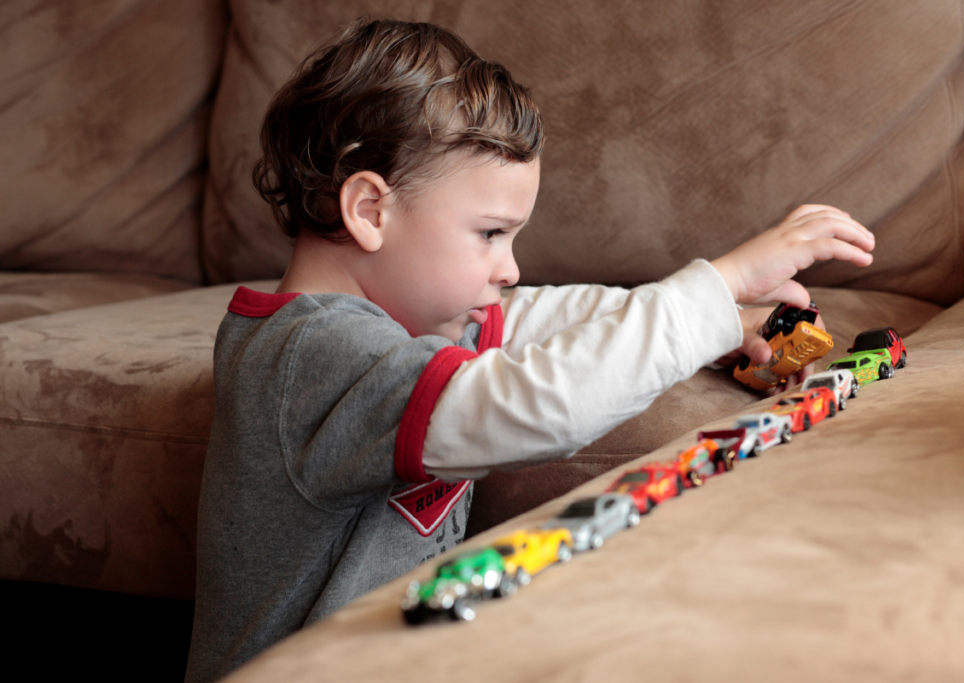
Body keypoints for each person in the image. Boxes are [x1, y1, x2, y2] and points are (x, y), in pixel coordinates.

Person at [184, 17, 874, 683]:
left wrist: (724, 325)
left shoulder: (411, 324)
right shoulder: (309, 356)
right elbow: (538, 404)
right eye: (490, 233)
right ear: (370, 211)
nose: (510, 268)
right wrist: (715, 289)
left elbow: (537, 317)